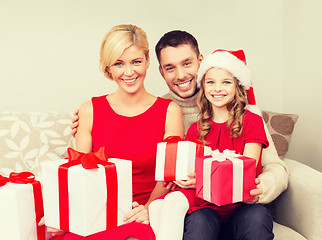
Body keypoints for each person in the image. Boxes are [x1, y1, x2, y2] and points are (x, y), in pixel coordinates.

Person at [72, 30, 289, 240]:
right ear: (160, 71)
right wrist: (78, 132)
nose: (181, 75)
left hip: (243, 206)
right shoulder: (166, 110)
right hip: (200, 209)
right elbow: (87, 160)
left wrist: (257, 190)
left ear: (201, 62)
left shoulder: (245, 114)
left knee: (253, 220)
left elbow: (274, 167)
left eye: (187, 63)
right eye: (170, 68)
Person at [43, 24, 184, 240]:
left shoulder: (169, 112)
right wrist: (65, 218)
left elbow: (168, 178)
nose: (129, 72)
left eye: (136, 62)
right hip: (95, 216)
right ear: (109, 68)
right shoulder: (89, 110)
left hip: (141, 215)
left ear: (147, 62)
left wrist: (147, 209)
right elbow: (79, 177)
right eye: (119, 64)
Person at [149, 49, 272, 240]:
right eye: (210, 82)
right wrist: (179, 178)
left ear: (238, 86)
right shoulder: (196, 129)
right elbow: (192, 173)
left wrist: (204, 181)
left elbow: (244, 171)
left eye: (226, 82)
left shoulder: (253, 122)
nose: (217, 89)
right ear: (203, 86)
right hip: (206, 207)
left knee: (257, 218)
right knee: (198, 222)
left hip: (242, 205)